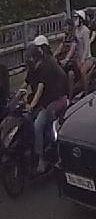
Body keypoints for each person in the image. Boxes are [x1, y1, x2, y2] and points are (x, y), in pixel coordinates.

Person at [23, 38, 69, 173]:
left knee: (38, 124)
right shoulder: (33, 68)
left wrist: (31, 105)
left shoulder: (46, 66)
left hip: (54, 101)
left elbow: (40, 90)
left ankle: (41, 159)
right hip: (43, 102)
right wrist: (15, 100)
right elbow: (24, 85)